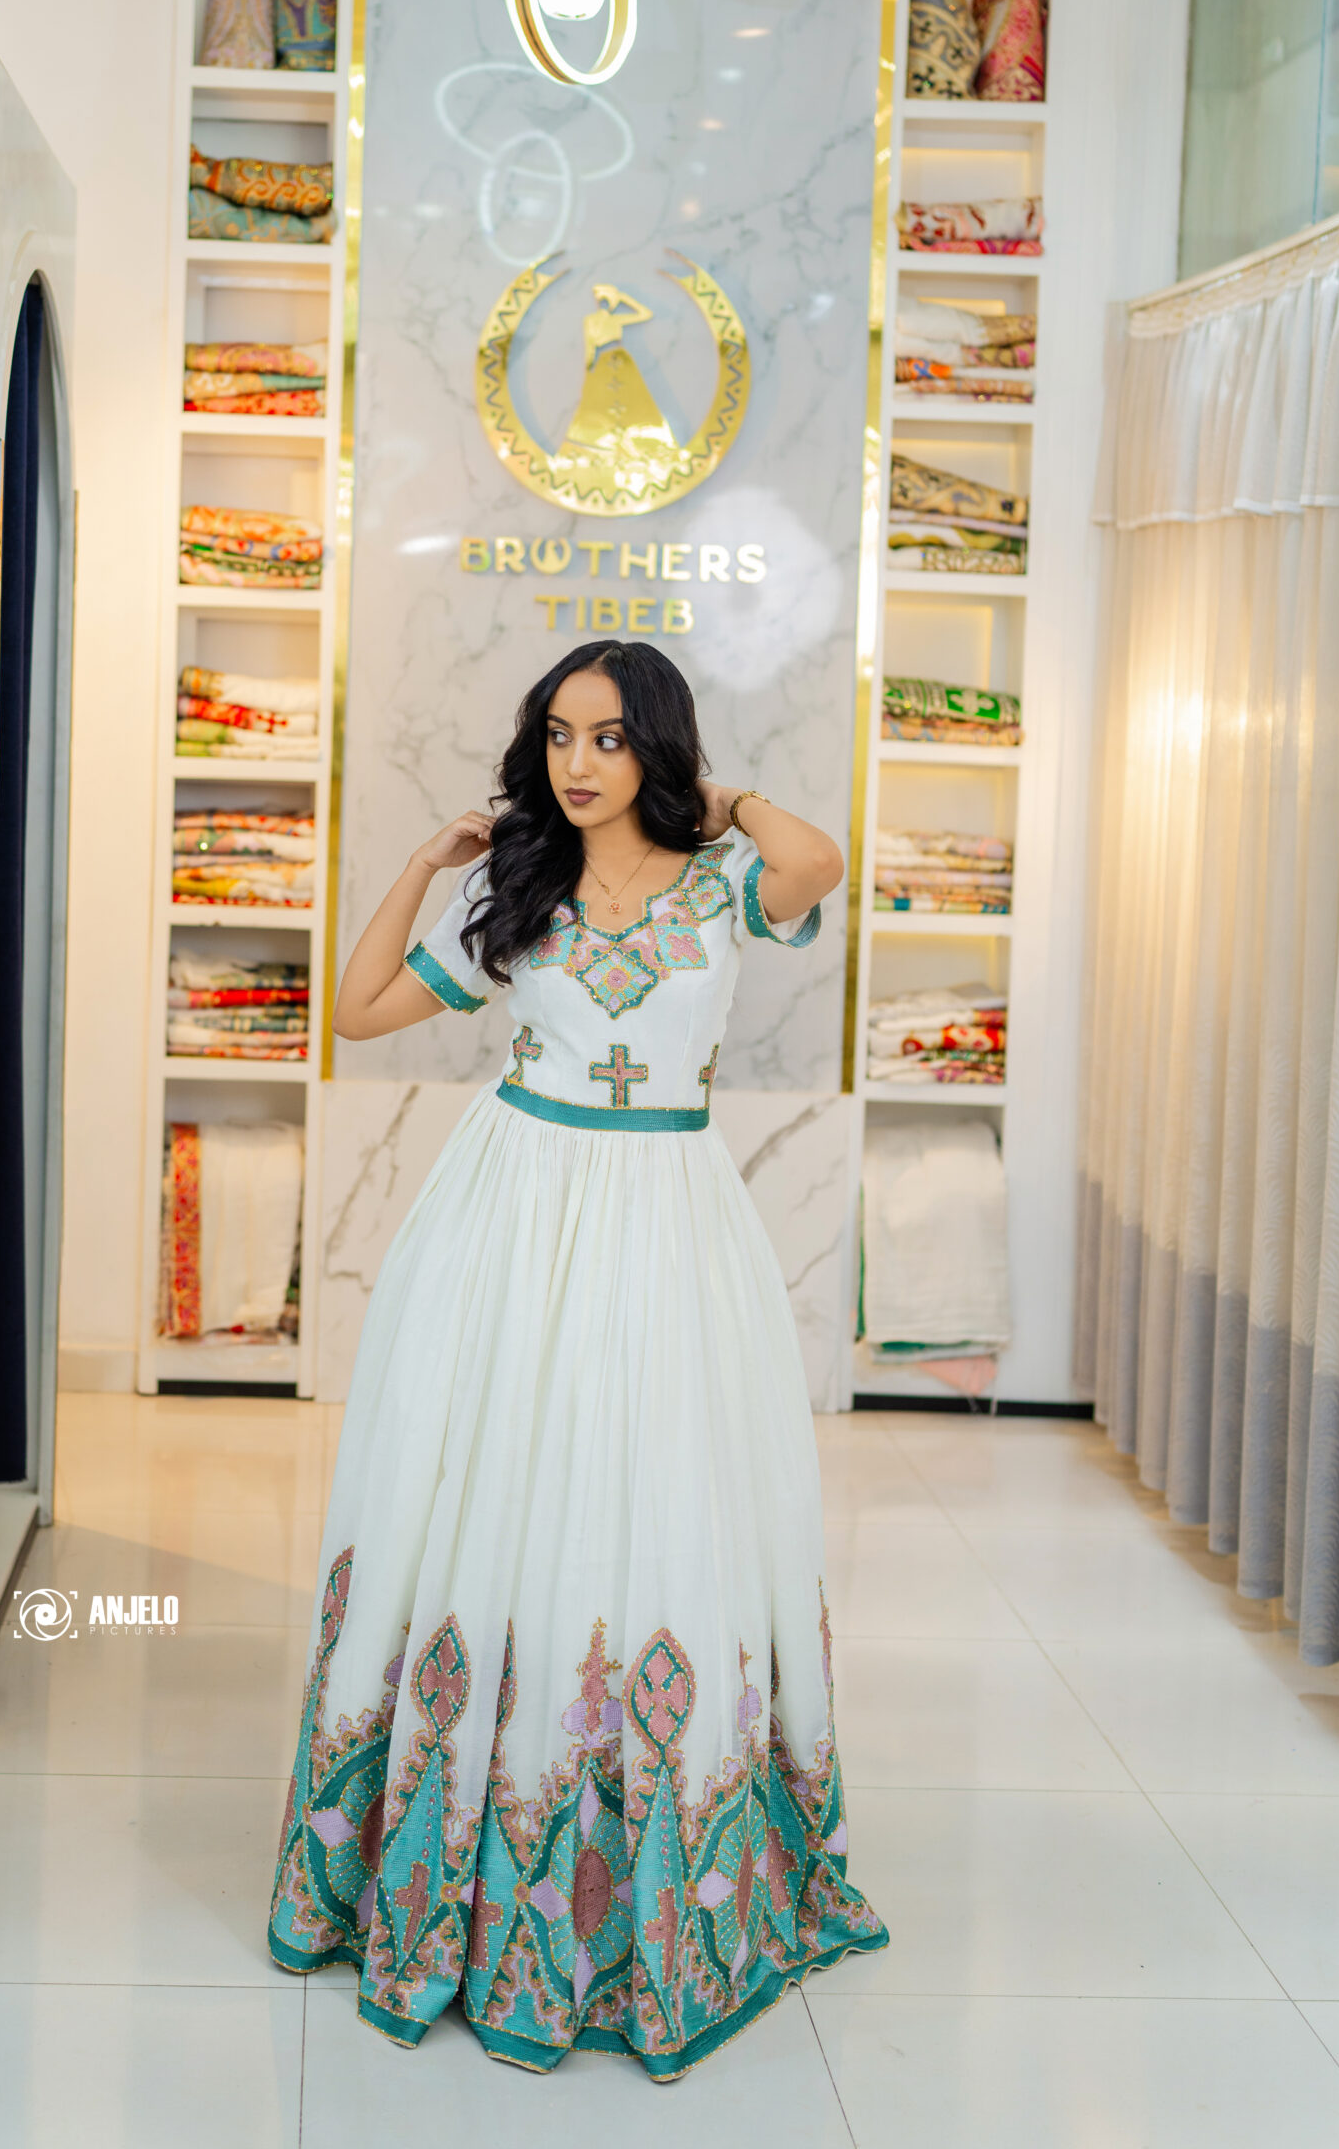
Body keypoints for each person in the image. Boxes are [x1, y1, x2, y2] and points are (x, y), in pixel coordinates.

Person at [268, 639, 887, 2078]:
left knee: (651, 1500)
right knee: (495, 1500)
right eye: (557, 734)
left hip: (669, 1219)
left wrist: (721, 802)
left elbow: (821, 862)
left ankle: (643, 1862)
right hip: (510, 1214)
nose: (577, 763)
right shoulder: (517, 882)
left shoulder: (725, 879)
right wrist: (423, 866)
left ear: (657, 744)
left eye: (609, 737)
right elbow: (359, 1010)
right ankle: (447, 1851)